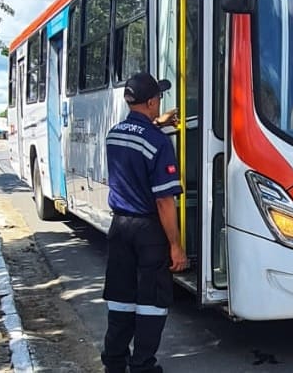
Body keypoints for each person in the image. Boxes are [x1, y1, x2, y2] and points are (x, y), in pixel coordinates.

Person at [101, 71, 188, 373]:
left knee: (121, 300)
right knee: (152, 301)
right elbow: (165, 201)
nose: (160, 102)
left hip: (119, 228)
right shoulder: (158, 142)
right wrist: (175, 246)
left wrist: (157, 122)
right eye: (159, 98)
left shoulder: (115, 133)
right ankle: (142, 366)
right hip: (147, 231)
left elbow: (135, 139)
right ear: (151, 101)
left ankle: (114, 363)